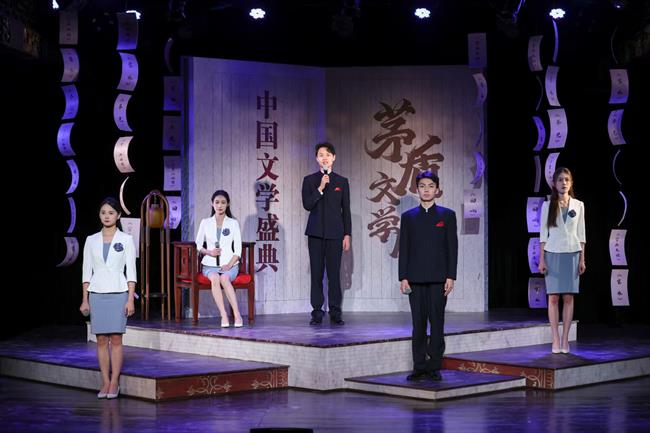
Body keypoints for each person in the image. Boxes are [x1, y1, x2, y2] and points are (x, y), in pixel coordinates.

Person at [399, 171, 457, 381]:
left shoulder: (447, 215)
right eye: (422, 186)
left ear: (437, 189)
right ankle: (419, 366)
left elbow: (452, 247)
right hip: (414, 278)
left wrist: (451, 276)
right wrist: (403, 277)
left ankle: (434, 366)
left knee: (437, 322)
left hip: (439, 279)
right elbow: (404, 248)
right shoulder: (408, 217)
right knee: (418, 324)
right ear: (417, 189)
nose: (426, 190)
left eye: (430, 186)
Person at [79, 197, 137, 399]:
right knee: (101, 339)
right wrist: (85, 299)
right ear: (99, 215)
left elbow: (131, 272)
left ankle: (114, 382)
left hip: (119, 293)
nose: (107, 216)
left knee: (116, 339)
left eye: (111, 213)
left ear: (118, 215)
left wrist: (130, 299)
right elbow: (86, 272)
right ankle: (105, 381)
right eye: (103, 212)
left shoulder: (126, 239)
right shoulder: (91, 240)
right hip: (97, 293)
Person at [302, 142, 351, 325]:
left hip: (335, 234)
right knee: (316, 274)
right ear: (317, 158)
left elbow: (346, 210)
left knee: (333, 275)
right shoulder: (309, 180)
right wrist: (320, 188)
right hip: (315, 234)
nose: (325, 158)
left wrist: (347, 234)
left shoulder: (342, 181)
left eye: (328, 155)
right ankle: (317, 312)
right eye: (321, 155)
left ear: (334, 158)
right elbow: (307, 205)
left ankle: (335, 311)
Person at [538, 167, 586, 354]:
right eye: (560, 179)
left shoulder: (579, 205)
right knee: (553, 298)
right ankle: (555, 339)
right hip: (552, 253)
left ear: (571, 183)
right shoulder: (547, 205)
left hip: (572, 253)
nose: (563, 183)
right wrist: (542, 259)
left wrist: (582, 259)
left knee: (568, 297)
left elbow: (581, 234)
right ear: (554, 184)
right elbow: (543, 234)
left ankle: (565, 339)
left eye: (566, 179)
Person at [195, 190, 244, 328]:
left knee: (224, 278)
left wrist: (229, 265)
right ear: (212, 204)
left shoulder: (233, 223)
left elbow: (238, 250)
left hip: (230, 265)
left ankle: (237, 314)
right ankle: (224, 315)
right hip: (210, 265)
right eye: (217, 202)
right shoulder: (205, 222)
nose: (220, 205)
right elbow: (198, 245)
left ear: (228, 204)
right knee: (215, 278)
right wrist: (209, 252)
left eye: (223, 202)